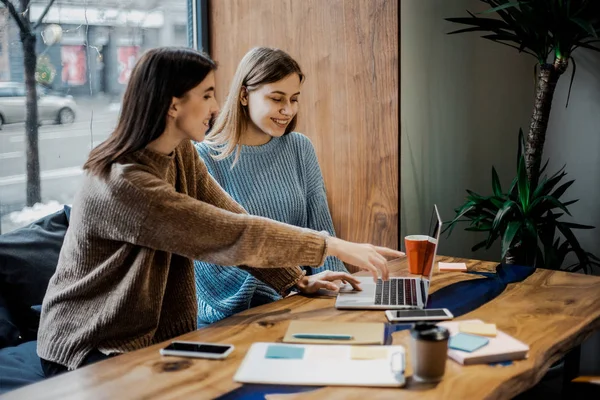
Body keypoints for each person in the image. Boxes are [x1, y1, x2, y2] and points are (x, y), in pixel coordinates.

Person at [36, 47, 403, 377]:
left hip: (151, 338)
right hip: (91, 345)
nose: (216, 106)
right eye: (207, 95)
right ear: (172, 104)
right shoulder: (126, 184)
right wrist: (330, 246)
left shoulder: (178, 153)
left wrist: (294, 279)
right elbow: (228, 235)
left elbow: (235, 218)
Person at [194, 47, 350, 325]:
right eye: (276, 98)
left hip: (300, 301)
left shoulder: (299, 148)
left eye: (294, 99)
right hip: (234, 318)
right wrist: (290, 286)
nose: (287, 110)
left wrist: (342, 296)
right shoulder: (203, 158)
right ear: (244, 95)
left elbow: (321, 232)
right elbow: (212, 271)